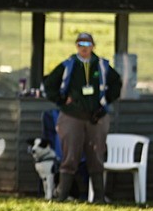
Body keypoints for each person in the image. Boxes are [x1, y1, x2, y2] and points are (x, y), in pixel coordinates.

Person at [42, 32, 123, 202]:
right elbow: (49, 84)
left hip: (96, 117)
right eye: (80, 45)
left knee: (96, 155)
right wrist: (62, 100)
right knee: (70, 154)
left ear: (93, 46)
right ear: (76, 46)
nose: (84, 48)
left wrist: (106, 100)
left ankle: (99, 197)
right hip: (72, 115)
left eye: (87, 45)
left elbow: (117, 83)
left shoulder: (102, 65)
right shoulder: (68, 65)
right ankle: (62, 195)